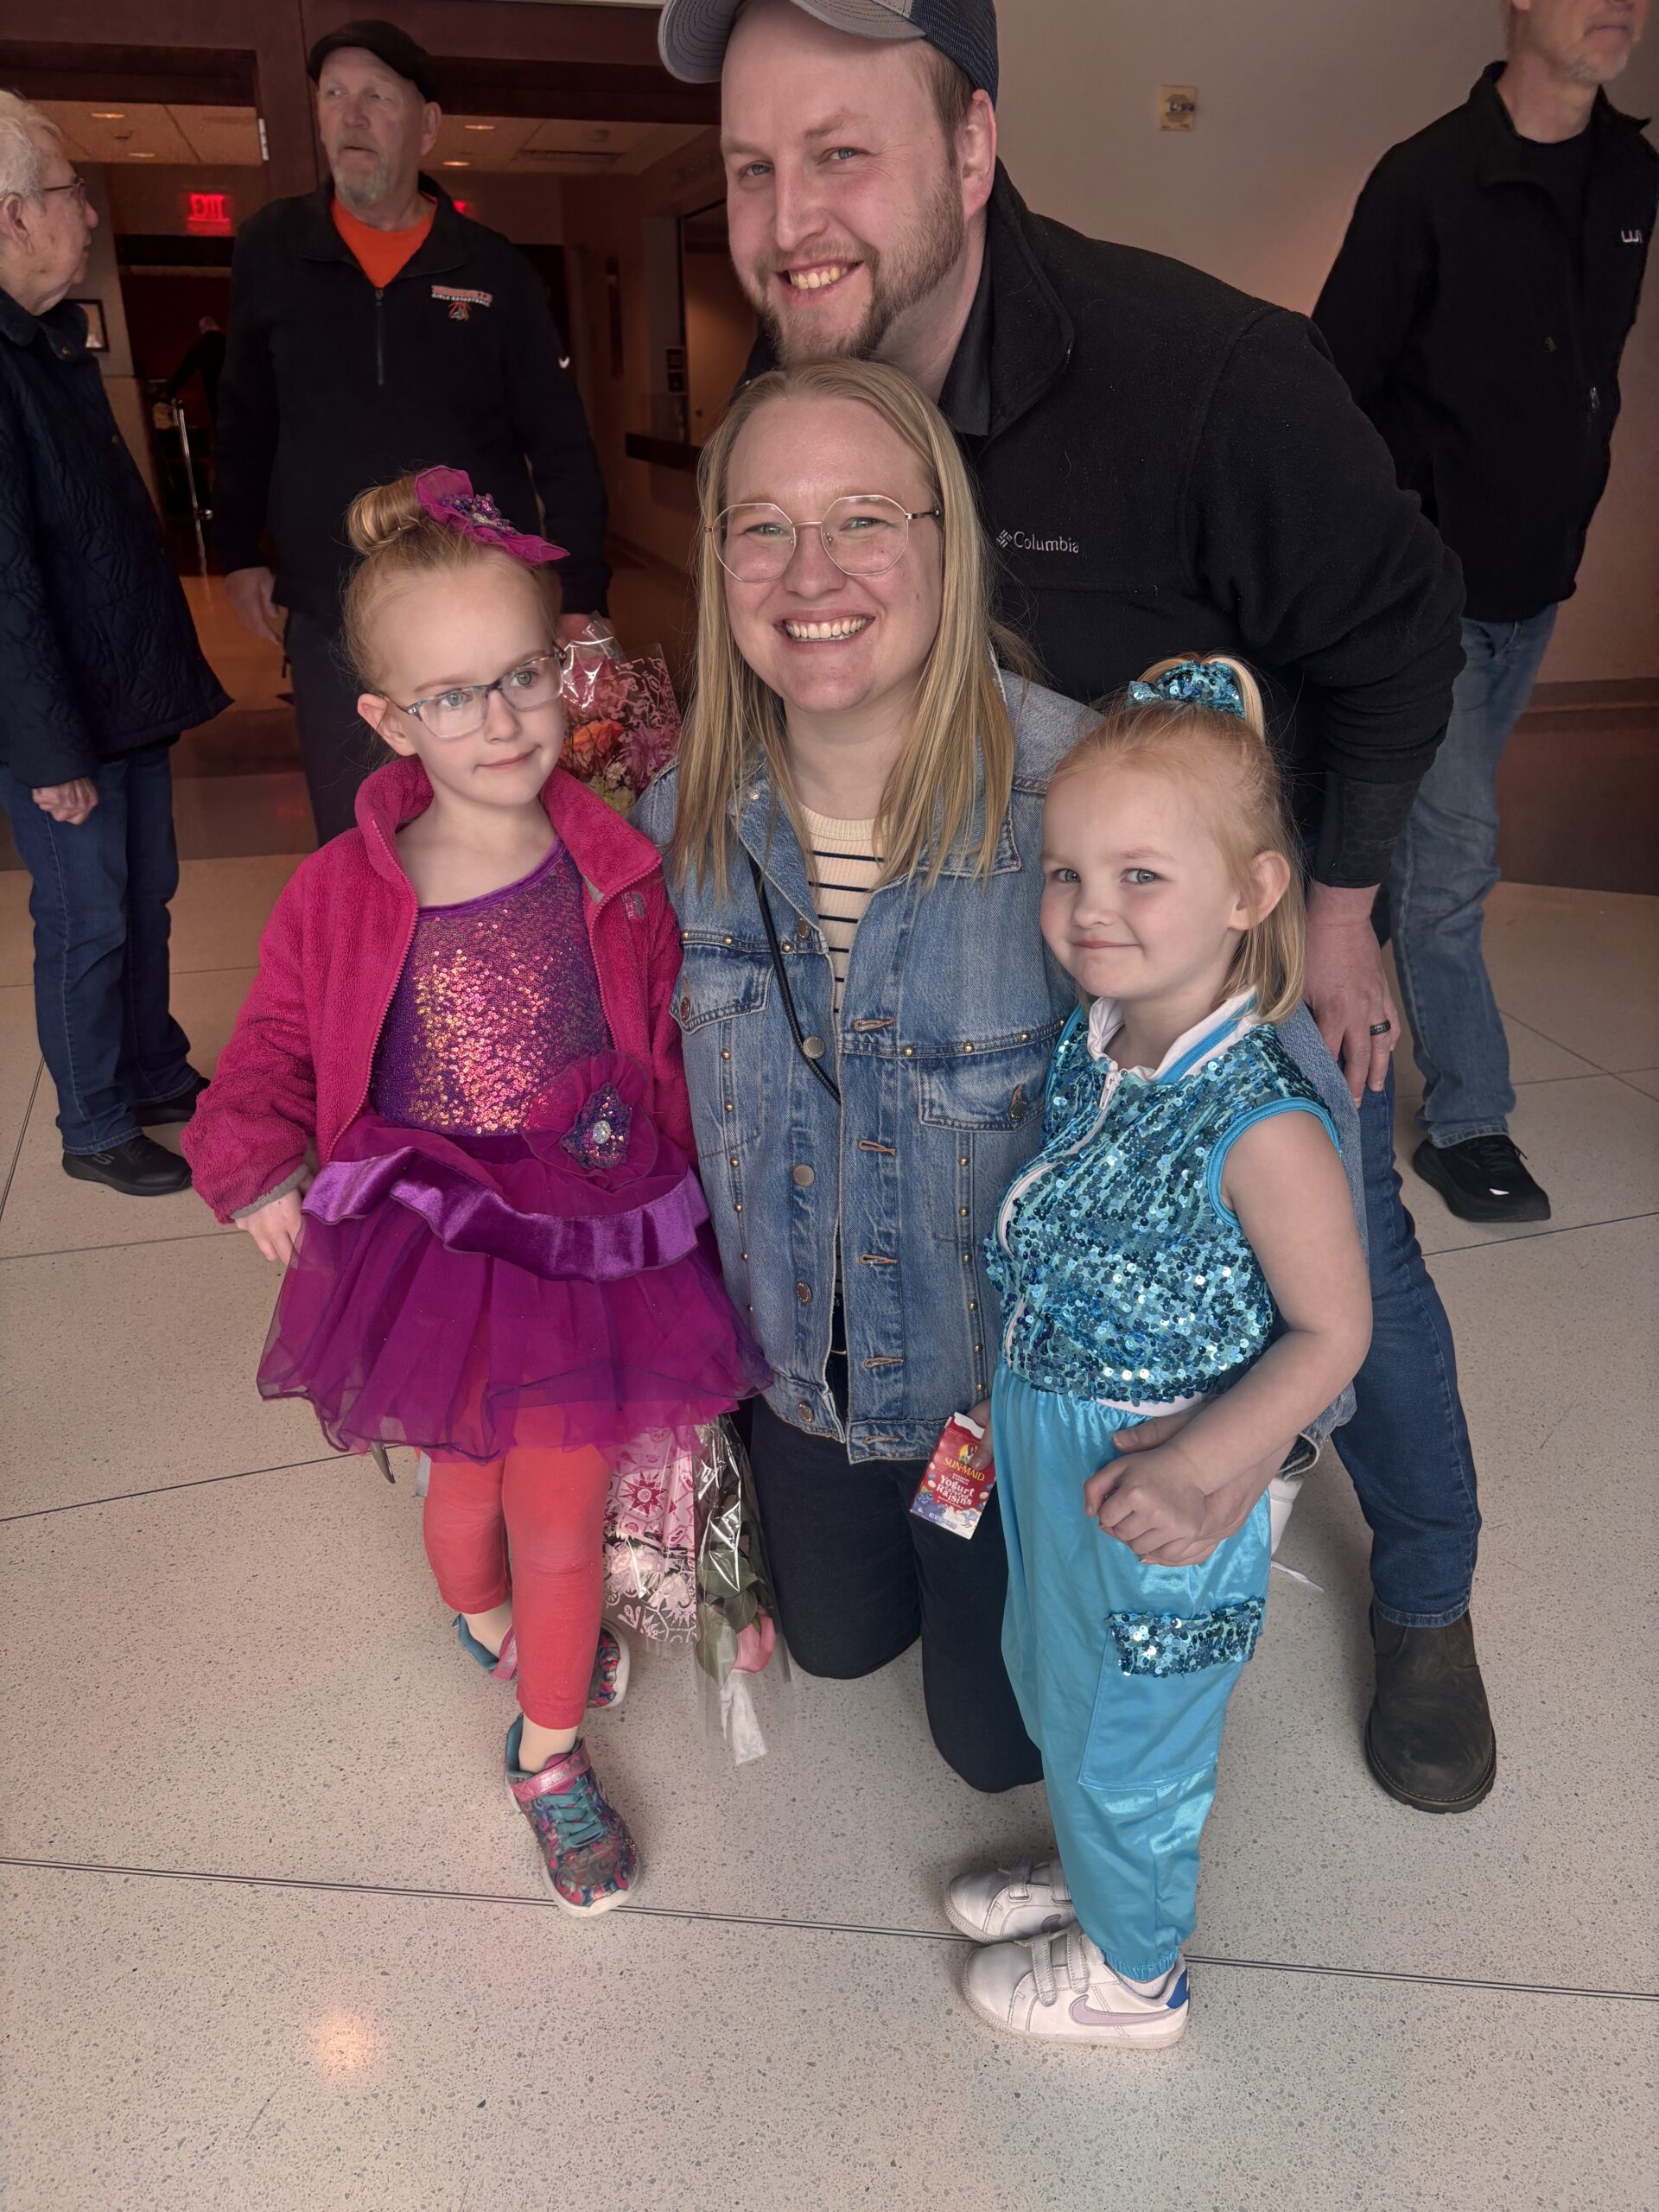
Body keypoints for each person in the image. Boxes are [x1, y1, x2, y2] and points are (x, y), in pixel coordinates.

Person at [659, 0, 1498, 1815]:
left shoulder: (1205, 372)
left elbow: (1400, 630)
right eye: (750, 165)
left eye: (840, 153)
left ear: (970, 150)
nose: (787, 212)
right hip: (989, 1000)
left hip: (1220, 946)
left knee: (1335, 1235)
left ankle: (1427, 1590)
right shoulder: (803, 379)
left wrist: (1337, 916)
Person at [632, 359, 1363, 1792]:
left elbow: (1286, 1133)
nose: (811, 571)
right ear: (718, 565)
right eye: (762, 528)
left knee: (996, 1754)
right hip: (802, 1385)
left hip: (1007, 1404)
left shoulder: (1093, 810)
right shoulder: (679, 824)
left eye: (863, 519)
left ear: (946, 547)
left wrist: (1247, 1444)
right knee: (839, 1647)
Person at [182, 468, 766, 1911]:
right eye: (451, 696)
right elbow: (266, 1044)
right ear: (387, 721)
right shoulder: (341, 888)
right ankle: (482, 1613)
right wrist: (258, 1163)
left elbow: (686, 1029)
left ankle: (549, 1754)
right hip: (430, 1235)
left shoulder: (623, 862)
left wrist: (725, 1195)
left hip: (596, 1231)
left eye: (517, 678)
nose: (498, 721)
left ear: (564, 667)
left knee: (559, 1507)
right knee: (462, 1493)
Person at [945, 656, 1370, 2045]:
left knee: (1138, 1731)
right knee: (1060, 1683)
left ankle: (1137, 1977)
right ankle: (1095, 1868)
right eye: (1067, 875)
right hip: (1049, 1436)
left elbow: (1334, 1328)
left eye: (1142, 878)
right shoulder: (1103, 1041)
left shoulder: (1266, 1119)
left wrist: (1210, 1459)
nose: (1087, 911)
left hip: (1162, 1484)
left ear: (1252, 893)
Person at [1314, 0, 1655, 1225]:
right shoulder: (1425, 183)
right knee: (1456, 865)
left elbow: (1585, 377)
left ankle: (1335, 972)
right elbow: (1330, 383)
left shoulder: (1631, 176)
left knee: (1417, 850)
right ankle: (1467, 1118)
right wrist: (1385, 552)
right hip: (1429, 595)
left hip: (1536, 587)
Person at [214, 19, 611, 843]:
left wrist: (583, 597)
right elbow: (246, 411)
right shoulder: (272, 250)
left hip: (479, 614)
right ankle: (376, 973)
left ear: (425, 127)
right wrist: (237, 548)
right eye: (334, 98)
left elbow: (561, 441)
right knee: (355, 833)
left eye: (377, 99)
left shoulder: (492, 269)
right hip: (332, 603)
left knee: (492, 821)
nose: (351, 116)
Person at [0, 91, 228, 1198]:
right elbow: (3, 583)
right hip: (63, 722)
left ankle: (150, 1070)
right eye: (70, 196)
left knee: (147, 892)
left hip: (118, 692)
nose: (85, 217)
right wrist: (48, 753)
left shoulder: (44, 341)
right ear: (12, 215)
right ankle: (92, 1122)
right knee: (87, 917)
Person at [165, 315, 226, 422]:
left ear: (202, 329)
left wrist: (169, 391)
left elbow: (184, 371)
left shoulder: (200, 347)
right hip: (238, 393)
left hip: (215, 395)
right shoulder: (229, 342)